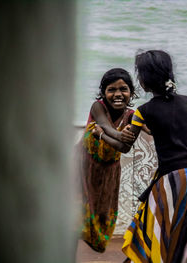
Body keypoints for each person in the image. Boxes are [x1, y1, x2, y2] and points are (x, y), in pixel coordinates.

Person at [95, 50, 187, 262]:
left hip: (173, 179)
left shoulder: (143, 112)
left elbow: (124, 146)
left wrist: (101, 134)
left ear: (144, 82)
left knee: (158, 226)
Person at [77, 68, 137, 253]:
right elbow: (104, 125)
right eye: (111, 90)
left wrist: (102, 136)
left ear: (131, 93)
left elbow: (124, 147)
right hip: (80, 168)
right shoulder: (98, 107)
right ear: (103, 93)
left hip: (107, 175)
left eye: (123, 89)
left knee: (102, 217)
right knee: (73, 216)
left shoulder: (132, 116)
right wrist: (118, 134)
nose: (117, 94)